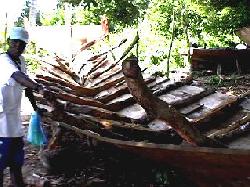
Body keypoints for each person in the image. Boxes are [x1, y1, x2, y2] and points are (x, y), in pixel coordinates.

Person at [0, 26, 45, 187]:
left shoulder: (21, 61)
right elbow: (18, 77)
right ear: (9, 42)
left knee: (16, 163)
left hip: (14, 122)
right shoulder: (3, 60)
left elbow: (25, 86)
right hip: (1, 123)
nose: (18, 46)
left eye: (22, 43)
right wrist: (39, 87)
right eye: (15, 42)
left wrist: (35, 107)